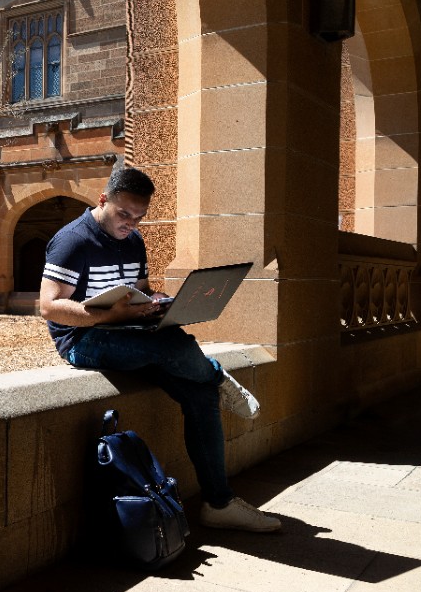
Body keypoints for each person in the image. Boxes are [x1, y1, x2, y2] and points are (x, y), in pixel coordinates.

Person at [39, 166, 281, 533]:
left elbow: (140, 289)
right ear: (103, 200)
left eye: (139, 217)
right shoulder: (72, 240)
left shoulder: (133, 241)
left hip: (128, 331)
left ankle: (219, 503)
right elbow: (50, 306)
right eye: (124, 214)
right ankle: (217, 376)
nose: (130, 224)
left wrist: (157, 302)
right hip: (83, 341)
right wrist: (108, 314)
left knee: (198, 393)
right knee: (173, 346)